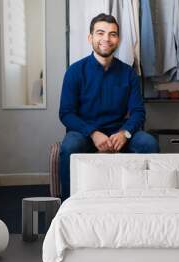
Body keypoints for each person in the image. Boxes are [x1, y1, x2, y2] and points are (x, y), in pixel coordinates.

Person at [58, 13, 160, 201]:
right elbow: (66, 113)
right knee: (69, 145)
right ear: (90, 38)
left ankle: (148, 201)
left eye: (112, 34)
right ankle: (67, 205)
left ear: (118, 40)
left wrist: (125, 133)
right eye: (100, 33)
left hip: (119, 134)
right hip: (85, 133)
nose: (106, 38)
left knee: (148, 143)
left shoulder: (128, 74)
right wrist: (93, 133)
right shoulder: (74, 71)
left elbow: (138, 112)